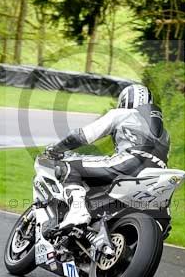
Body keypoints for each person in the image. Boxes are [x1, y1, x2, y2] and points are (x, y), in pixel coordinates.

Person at [45, 84, 170, 229]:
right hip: (157, 176)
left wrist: (57, 149)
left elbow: (81, 136)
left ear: (125, 101)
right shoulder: (165, 134)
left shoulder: (121, 113)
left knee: (70, 167)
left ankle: (77, 212)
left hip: (130, 162)